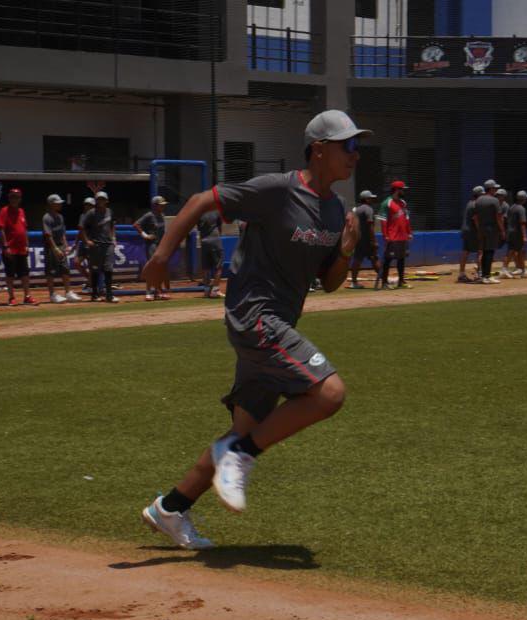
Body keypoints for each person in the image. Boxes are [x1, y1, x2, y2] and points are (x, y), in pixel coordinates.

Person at [138, 108, 368, 549]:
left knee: (242, 429)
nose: (356, 155)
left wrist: (346, 251)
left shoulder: (336, 210)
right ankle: (241, 459)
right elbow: (200, 202)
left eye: (358, 146)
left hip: (277, 324)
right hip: (256, 317)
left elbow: (330, 283)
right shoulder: (278, 190)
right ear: (318, 150)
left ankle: (170, 508)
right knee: (329, 393)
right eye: (348, 146)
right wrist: (163, 256)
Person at [0, 187, 36, 305]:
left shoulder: (22, 211)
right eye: (12, 197)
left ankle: (27, 296)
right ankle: (11, 297)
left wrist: (27, 245)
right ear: (9, 198)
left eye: (17, 197)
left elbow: (25, 229)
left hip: (22, 248)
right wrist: (5, 246)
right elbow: (1, 229)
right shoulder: (4, 211)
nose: (14, 199)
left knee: (25, 274)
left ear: (20, 199)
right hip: (10, 249)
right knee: (10, 274)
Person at [80, 191, 119, 302]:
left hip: (107, 244)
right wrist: (87, 241)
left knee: (108, 269)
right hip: (96, 245)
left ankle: (109, 295)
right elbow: (81, 227)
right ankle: (95, 294)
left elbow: (112, 225)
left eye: (102, 199)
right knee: (95, 270)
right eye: (98, 199)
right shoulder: (91, 213)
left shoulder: (109, 212)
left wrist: (114, 238)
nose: (100, 201)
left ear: (107, 201)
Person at [42, 194, 79, 303]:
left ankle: (68, 292)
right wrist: (55, 249)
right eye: (57, 203)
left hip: (60, 245)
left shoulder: (60, 217)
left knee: (65, 269)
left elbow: (63, 234)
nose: (60, 204)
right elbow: (48, 235)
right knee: (51, 271)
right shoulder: (46, 217)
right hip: (51, 247)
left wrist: (66, 246)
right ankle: (52, 294)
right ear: (51, 204)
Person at [377, 180, 412, 290]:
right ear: (397, 190)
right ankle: (384, 283)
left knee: (401, 259)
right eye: (402, 189)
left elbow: (406, 219)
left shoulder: (403, 203)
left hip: (402, 236)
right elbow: (383, 221)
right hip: (392, 236)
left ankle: (401, 281)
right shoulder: (386, 203)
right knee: (388, 259)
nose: (404, 191)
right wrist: (385, 235)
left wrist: (409, 232)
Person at [134, 196, 171, 300]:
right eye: (161, 205)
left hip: (161, 245)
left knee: (161, 268)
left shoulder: (162, 215)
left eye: (163, 205)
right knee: (152, 268)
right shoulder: (149, 215)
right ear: (155, 205)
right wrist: (145, 235)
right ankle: (149, 291)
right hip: (152, 245)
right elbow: (136, 224)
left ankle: (158, 291)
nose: (163, 207)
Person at [473, 180, 505, 284]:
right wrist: (502, 230)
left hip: (481, 229)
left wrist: (479, 229)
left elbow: (476, 217)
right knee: (489, 252)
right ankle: (487, 276)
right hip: (491, 229)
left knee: (484, 252)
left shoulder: (478, 200)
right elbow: (498, 217)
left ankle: (483, 275)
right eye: (495, 188)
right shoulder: (494, 200)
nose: (496, 190)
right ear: (490, 189)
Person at [349, 190, 381, 289]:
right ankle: (383, 279)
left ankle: (354, 282)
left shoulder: (356, 210)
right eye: (370, 198)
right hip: (367, 239)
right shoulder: (368, 209)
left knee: (357, 259)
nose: (372, 199)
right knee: (374, 257)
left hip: (358, 238)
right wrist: (374, 241)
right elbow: (370, 225)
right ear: (366, 199)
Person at [504, 190, 527, 278]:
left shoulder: (512, 207)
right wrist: (524, 236)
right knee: (515, 251)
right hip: (517, 233)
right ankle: (507, 269)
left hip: (510, 231)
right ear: (524, 199)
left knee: (516, 251)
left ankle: (522, 270)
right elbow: (522, 223)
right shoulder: (521, 208)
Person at [197, 209, 226, 298]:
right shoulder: (216, 211)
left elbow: (199, 228)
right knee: (219, 267)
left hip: (204, 241)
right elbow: (220, 226)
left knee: (206, 268)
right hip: (215, 240)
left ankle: (206, 291)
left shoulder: (199, 213)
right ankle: (215, 290)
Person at [458, 186, 484, 283]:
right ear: (480, 194)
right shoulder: (477, 204)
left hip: (465, 230)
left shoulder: (469, 203)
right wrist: (480, 231)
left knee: (465, 251)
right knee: (481, 251)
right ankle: (479, 274)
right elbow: (476, 219)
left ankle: (461, 274)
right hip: (472, 231)